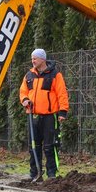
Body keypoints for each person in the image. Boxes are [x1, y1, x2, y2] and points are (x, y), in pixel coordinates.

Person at [20, 48, 69, 181]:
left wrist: (62, 111)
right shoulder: (29, 75)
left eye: (35, 58)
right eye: (32, 58)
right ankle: (34, 173)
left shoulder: (55, 75)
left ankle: (52, 174)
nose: (33, 61)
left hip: (49, 116)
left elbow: (62, 93)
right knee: (33, 146)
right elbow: (23, 91)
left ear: (42, 59)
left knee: (50, 146)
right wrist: (25, 100)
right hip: (33, 115)